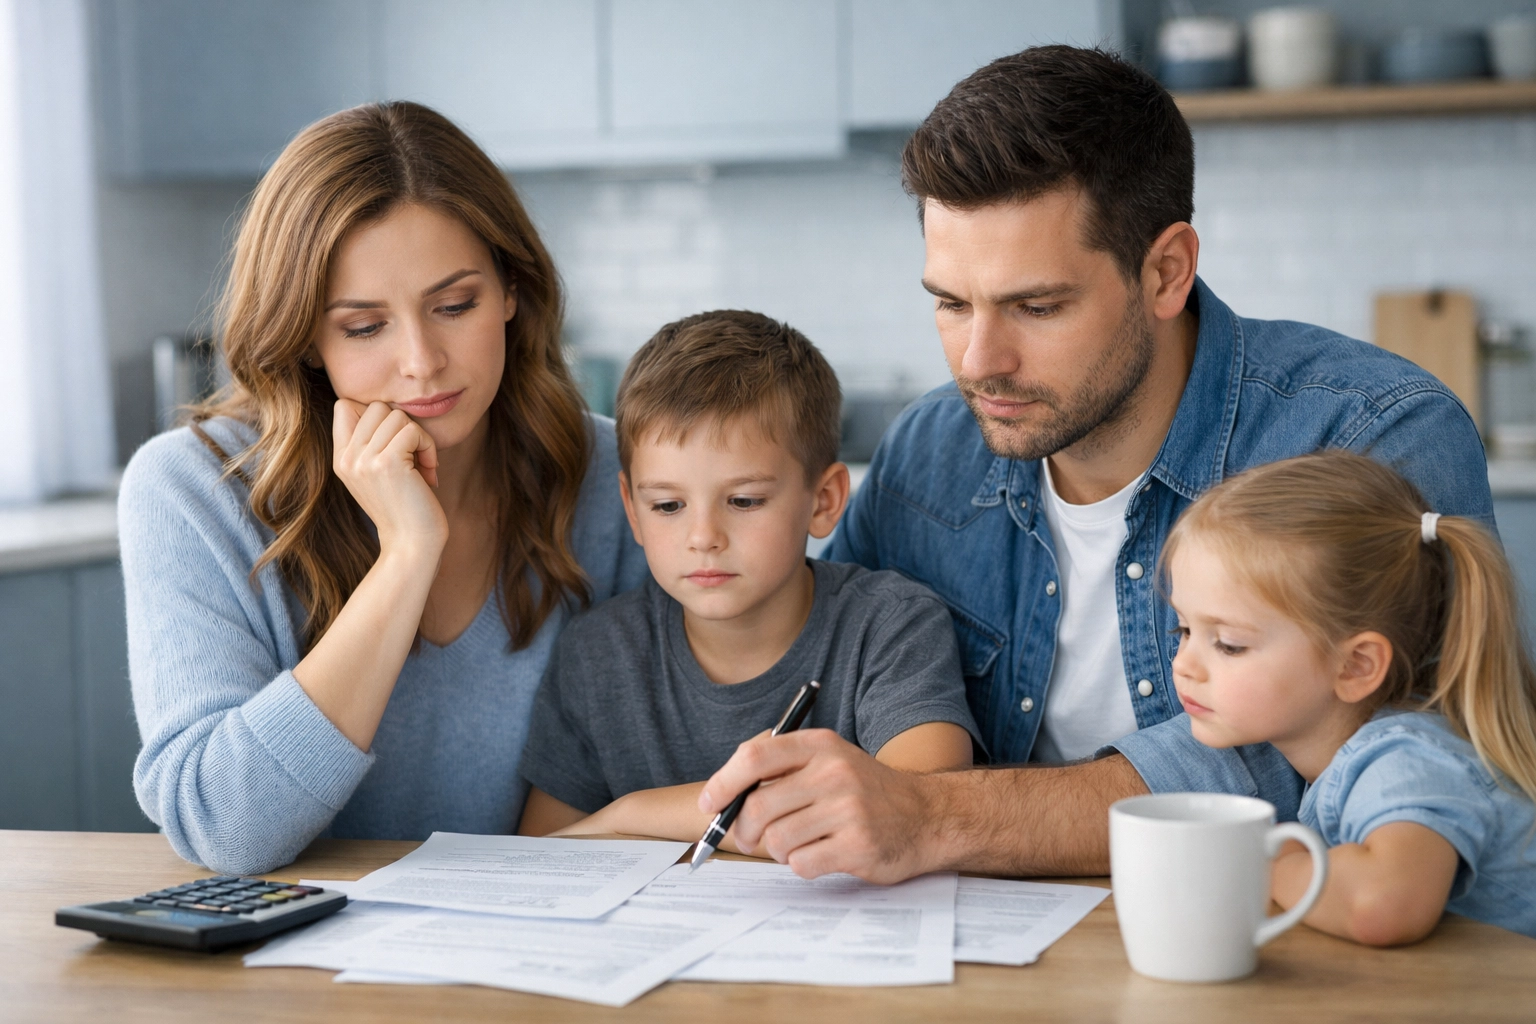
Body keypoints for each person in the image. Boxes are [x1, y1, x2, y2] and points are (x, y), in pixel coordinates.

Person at [695, 46, 1496, 883]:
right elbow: (817, 664)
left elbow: (1334, 765)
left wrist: (933, 815)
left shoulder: (1371, 434)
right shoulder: (928, 452)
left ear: (1165, 272)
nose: (979, 361)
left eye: (1035, 307)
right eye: (948, 302)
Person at [121, 102, 647, 875]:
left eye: (455, 305)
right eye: (364, 326)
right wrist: (406, 554)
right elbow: (224, 829)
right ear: (304, 338)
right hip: (298, 979)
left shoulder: (614, 475)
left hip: (553, 950)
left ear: (512, 291)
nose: (422, 360)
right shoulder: (192, 489)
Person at [516, 311, 980, 845]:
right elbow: (545, 853)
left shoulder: (893, 628)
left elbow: (922, 809)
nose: (704, 536)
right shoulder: (598, 655)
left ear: (824, 501)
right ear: (632, 509)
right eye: (667, 505)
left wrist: (629, 815)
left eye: (744, 501)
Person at [1164, 451, 1536, 943]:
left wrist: (1274, 860)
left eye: (1229, 644)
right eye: (1183, 629)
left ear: (1356, 665)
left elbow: (1379, 905)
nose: (1184, 663)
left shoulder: (1402, 759)